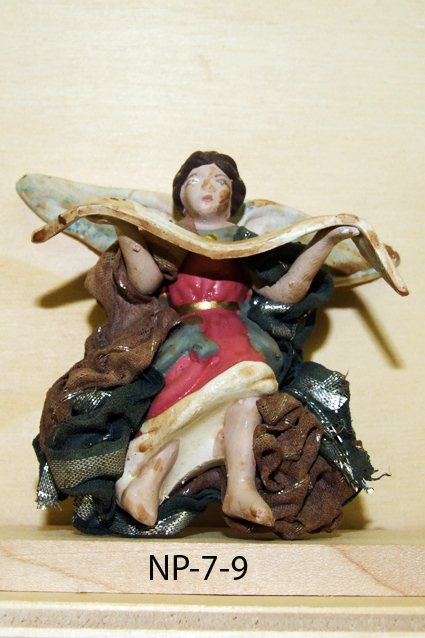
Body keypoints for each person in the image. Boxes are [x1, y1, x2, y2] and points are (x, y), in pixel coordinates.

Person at [109, 151, 361, 529]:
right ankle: (144, 482)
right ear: (180, 195)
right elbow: (145, 283)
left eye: (220, 180)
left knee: (248, 399)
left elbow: (284, 292)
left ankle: (240, 489)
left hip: (238, 334)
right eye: (196, 180)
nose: (208, 187)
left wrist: (323, 243)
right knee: (176, 408)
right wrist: (125, 226)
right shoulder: (169, 236)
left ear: (234, 195)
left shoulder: (246, 243)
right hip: (186, 338)